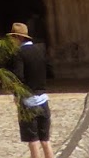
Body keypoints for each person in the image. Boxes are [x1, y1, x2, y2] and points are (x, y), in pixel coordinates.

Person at [9, 22, 53, 158]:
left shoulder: (19, 54)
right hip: (43, 100)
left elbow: (19, 78)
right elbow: (49, 71)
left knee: (33, 141)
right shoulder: (40, 51)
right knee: (45, 140)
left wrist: (17, 95)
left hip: (28, 102)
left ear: (19, 37)